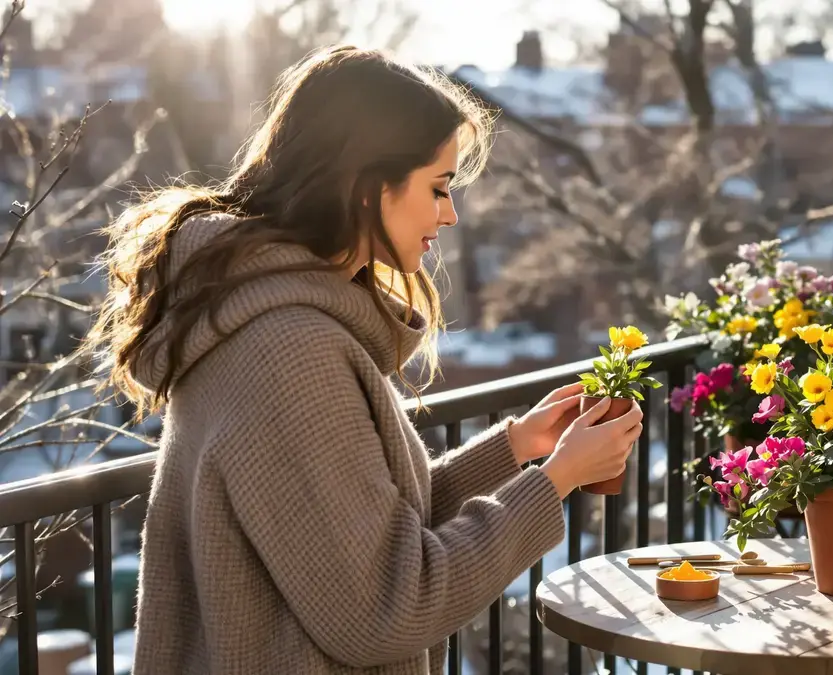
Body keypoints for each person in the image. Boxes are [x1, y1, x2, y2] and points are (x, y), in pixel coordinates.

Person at [85, 45, 643, 675]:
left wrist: (514, 448)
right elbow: (387, 609)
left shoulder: (260, 316)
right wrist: (556, 480)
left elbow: (349, 537)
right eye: (437, 188)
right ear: (368, 189)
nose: (449, 213)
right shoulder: (287, 352)